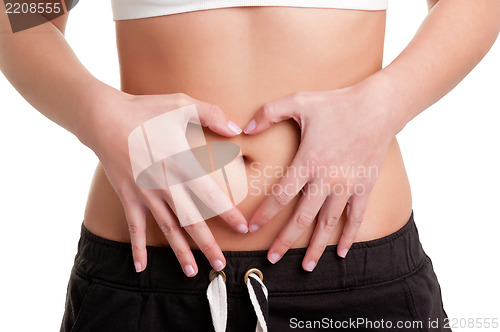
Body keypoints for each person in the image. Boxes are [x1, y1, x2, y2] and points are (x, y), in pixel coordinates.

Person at [1, 0, 499, 331]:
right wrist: (101, 116)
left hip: (353, 277)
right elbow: (21, 12)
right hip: (147, 280)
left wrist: (387, 103)